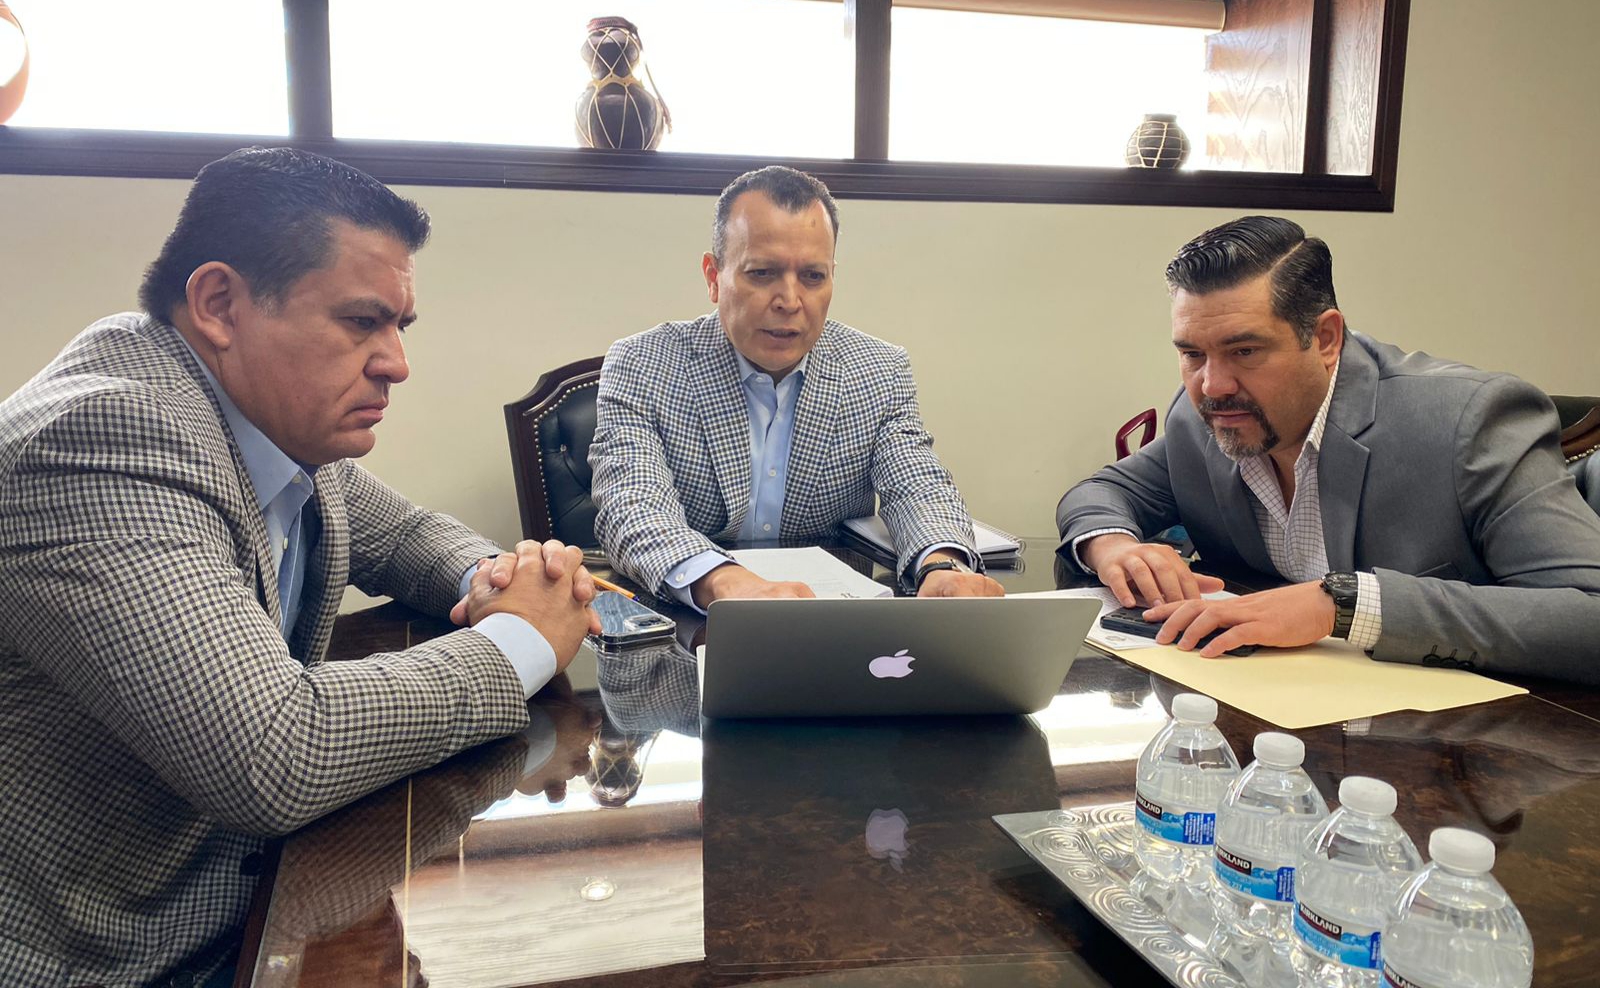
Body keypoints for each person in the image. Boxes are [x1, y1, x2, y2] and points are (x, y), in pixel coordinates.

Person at [0, 148, 599, 986]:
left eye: (399, 325)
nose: (396, 363)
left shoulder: (263, 420)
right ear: (219, 304)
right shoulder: (103, 438)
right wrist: (520, 643)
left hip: (258, 898)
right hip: (122, 958)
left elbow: (406, 534)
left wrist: (498, 578)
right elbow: (273, 752)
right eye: (361, 322)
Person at [1056, 215, 1600, 682]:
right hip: (1256, 710)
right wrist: (1114, 546)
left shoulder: (1470, 420)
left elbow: (1588, 616)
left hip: (1459, 739)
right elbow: (1102, 491)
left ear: (1325, 339)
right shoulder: (1205, 414)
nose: (1213, 384)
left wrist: (1344, 604)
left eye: (1245, 351)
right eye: (1192, 354)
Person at [589, 165, 1002, 608]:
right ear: (713, 276)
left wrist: (942, 566)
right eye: (762, 273)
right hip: (694, 624)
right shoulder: (643, 364)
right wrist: (726, 582)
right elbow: (633, 505)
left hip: (833, 623)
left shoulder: (879, 370)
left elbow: (917, 485)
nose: (789, 301)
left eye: (812, 276)